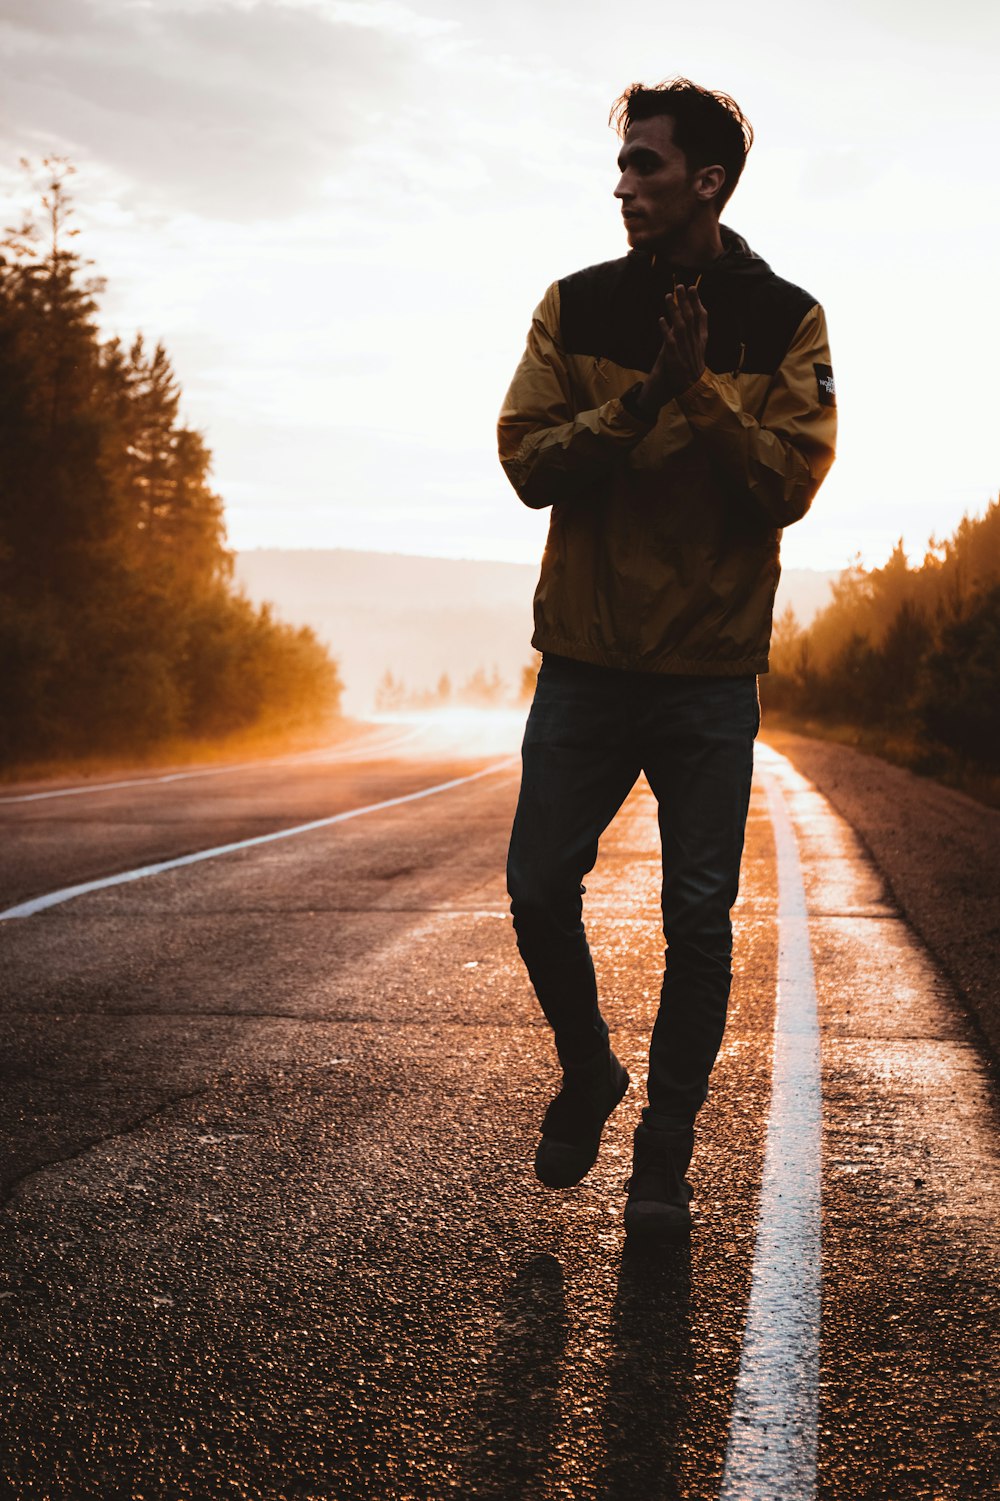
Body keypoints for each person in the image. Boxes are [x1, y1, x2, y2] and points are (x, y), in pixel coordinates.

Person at [498, 78, 836, 1236]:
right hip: (586, 663)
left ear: (707, 182)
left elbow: (785, 486)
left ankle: (663, 1160)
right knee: (538, 888)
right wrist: (647, 396)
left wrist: (701, 395)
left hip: (706, 677)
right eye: (624, 164)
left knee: (699, 923)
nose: (622, 185)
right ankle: (589, 1070)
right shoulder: (575, 304)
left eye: (645, 165)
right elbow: (531, 463)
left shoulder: (786, 318)